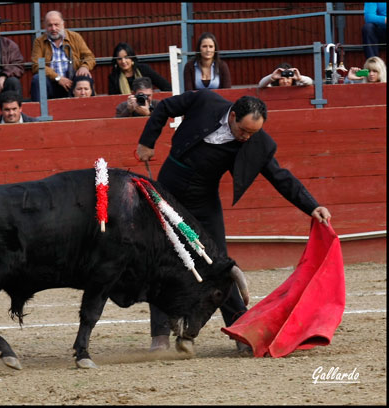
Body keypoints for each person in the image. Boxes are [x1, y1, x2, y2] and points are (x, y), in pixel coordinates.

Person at [136, 89, 331, 352]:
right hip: (169, 185)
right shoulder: (205, 101)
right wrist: (147, 142)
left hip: (204, 197)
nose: (246, 138)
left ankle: (241, 329)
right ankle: (159, 335)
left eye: (252, 133)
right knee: (163, 256)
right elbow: (164, 107)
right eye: (243, 131)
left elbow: (279, 177)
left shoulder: (255, 141)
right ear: (233, 115)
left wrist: (312, 205)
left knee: (221, 265)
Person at [30, 10, 96, 101]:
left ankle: (89, 109)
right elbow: (36, 65)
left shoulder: (75, 37)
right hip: (52, 82)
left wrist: (84, 67)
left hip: (72, 82)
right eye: (50, 25)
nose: (53, 28)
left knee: (85, 78)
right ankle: (38, 112)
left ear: (63, 24)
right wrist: (58, 78)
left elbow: (89, 57)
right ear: (45, 26)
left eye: (56, 24)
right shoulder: (39, 41)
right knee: (37, 79)